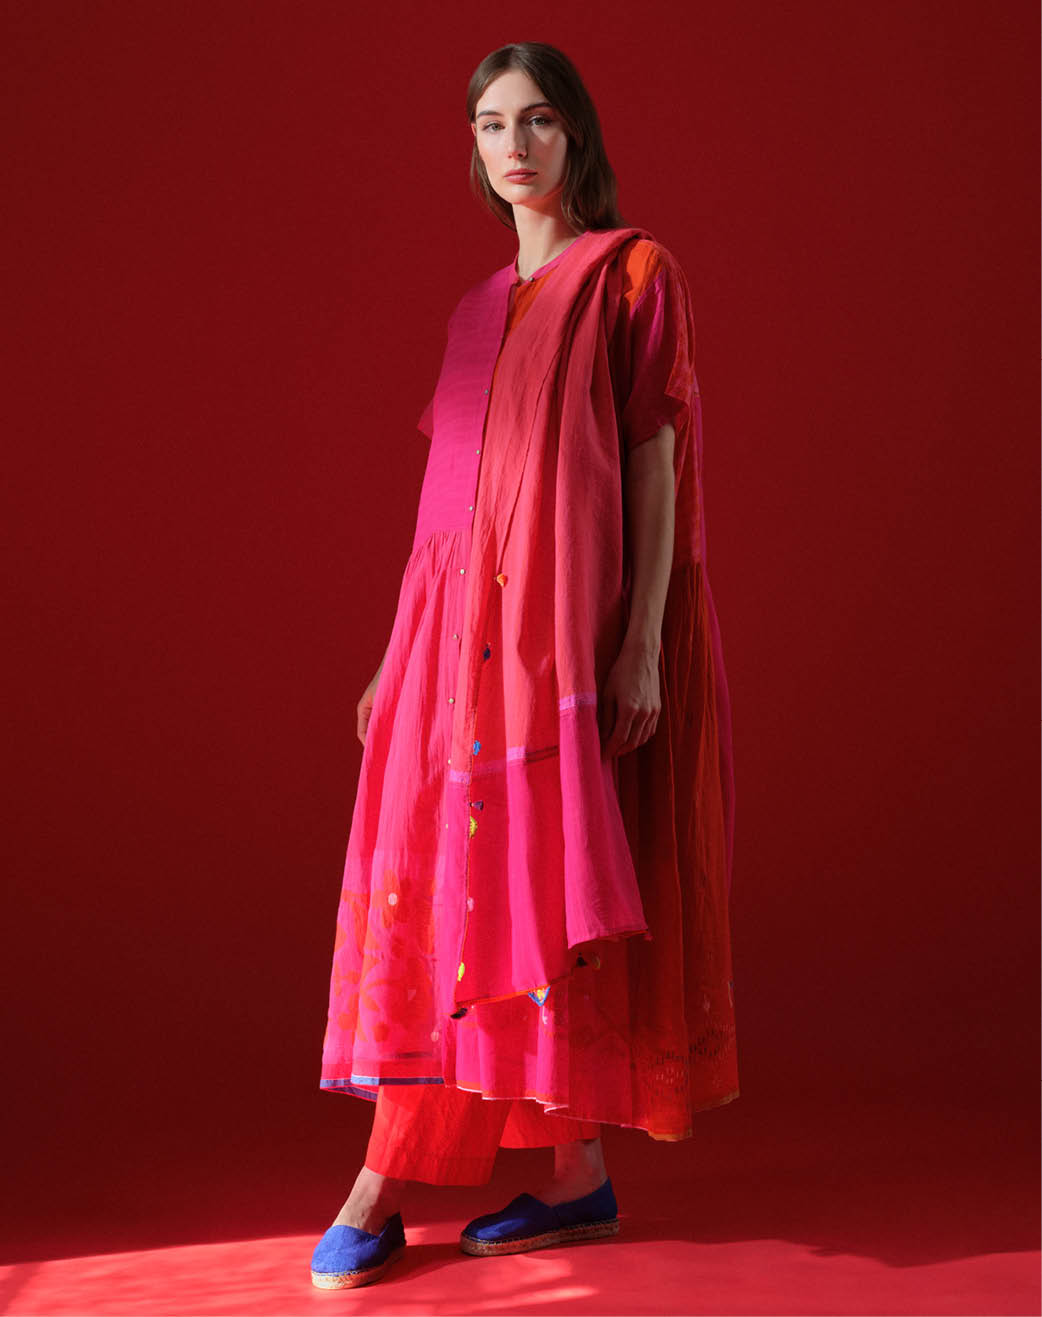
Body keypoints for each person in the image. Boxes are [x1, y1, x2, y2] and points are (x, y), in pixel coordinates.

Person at [310, 40, 738, 1290]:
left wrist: (640, 642)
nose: (516, 144)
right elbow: (447, 506)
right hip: (450, 648)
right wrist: (396, 657)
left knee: (520, 889)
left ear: (576, 136)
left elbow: (654, 460)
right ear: (475, 148)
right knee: (456, 887)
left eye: (539, 119)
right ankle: (569, 1176)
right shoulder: (472, 311)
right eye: (493, 124)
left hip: (557, 639)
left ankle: (385, 1185)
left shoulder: (632, 274)